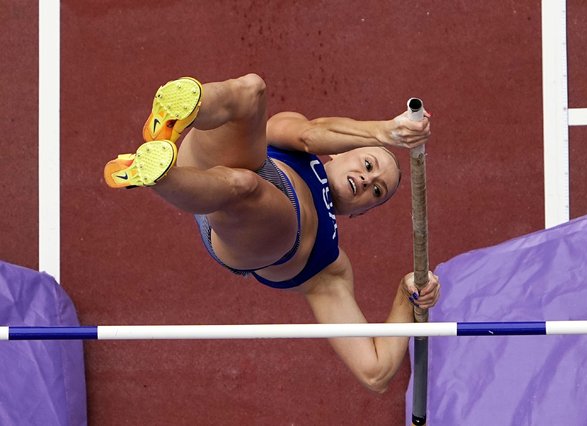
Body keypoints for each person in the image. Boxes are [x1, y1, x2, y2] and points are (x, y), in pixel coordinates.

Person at [103, 73, 440, 393]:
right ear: (339, 152)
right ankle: (174, 119)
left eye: (377, 191)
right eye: (368, 165)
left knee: (245, 186)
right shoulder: (299, 140)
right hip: (216, 167)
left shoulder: (329, 267)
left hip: (248, 231)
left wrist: (406, 293)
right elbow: (311, 133)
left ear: (361, 212)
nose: (367, 181)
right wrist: (385, 132)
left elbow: (376, 372)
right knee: (251, 91)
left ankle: (153, 173)